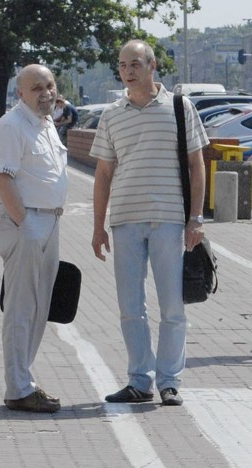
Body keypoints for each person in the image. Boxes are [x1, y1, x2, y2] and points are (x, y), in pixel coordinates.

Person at [90, 40, 208, 406]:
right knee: (130, 306)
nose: (128, 71)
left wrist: (196, 219)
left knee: (172, 305)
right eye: (123, 65)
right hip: (125, 219)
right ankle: (139, 380)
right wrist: (98, 226)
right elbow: (103, 173)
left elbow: (196, 165)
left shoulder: (178, 106)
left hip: (169, 218)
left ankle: (169, 381)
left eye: (135, 64)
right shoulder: (111, 114)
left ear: (152, 66)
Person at [0, 64, 67, 413]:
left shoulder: (46, 123)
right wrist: (25, 224)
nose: (45, 92)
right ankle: (18, 387)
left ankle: (23, 381)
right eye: (36, 87)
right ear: (20, 93)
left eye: (49, 85)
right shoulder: (12, 125)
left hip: (49, 221)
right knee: (21, 309)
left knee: (39, 309)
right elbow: (2, 179)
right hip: (27, 222)